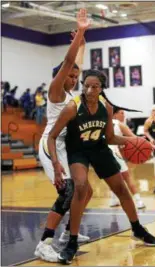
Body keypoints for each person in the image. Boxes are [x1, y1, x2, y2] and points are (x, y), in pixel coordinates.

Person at [48, 69, 155, 264]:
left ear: (101, 88)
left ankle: (137, 229)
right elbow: (52, 136)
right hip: (78, 151)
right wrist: (56, 164)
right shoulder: (72, 107)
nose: (90, 90)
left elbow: (110, 138)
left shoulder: (106, 108)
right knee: (81, 187)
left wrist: (137, 142)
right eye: (87, 86)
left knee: (121, 189)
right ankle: (72, 242)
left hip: (99, 149)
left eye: (95, 86)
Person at [34, 9, 91, 263]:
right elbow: (68, 63)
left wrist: (82, 41)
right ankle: (44, 243)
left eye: (77, 77)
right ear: (60, 75)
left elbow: (75, 63)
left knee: (85, 190)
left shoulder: (69, 93)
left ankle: (70, 232)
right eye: (71, 76)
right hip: (50, 145)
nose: (74, 79)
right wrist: (78, 33)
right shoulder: (56, 90)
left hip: (65, 146)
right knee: (67, 192)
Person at [109, 107, 145, 209]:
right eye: (121, 113)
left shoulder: (102, 123)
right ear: (114, 114)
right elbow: (134, 138)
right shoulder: (118, 124)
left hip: (103, 155)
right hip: (114, 153)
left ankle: (113, 200)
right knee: (128, 178)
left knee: (112, 178)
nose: (123, 115)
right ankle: (139, 201)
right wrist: (145, 141)